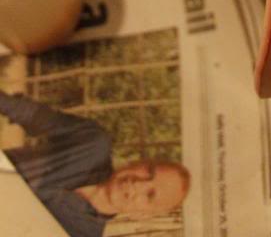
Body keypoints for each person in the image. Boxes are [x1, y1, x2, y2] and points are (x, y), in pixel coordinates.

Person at [0, 90, 189, 237]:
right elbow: (30, 113)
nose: (138, 184)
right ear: (138, 162)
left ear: (142, 215)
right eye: (149, 171)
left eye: (150, 195)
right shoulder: (93, 142)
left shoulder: (80, 234)